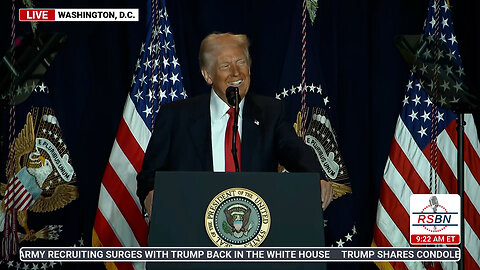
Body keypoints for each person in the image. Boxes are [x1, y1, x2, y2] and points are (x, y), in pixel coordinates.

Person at [137, 32, 333, 217]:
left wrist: (317, 177)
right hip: (192, 228)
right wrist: (150, 195)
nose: (236, 72)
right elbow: (149, 176)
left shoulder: (270, 113)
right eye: (225, 66)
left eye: (241, 62)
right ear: (208, 75)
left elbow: (296, 152)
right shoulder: (176, 116)